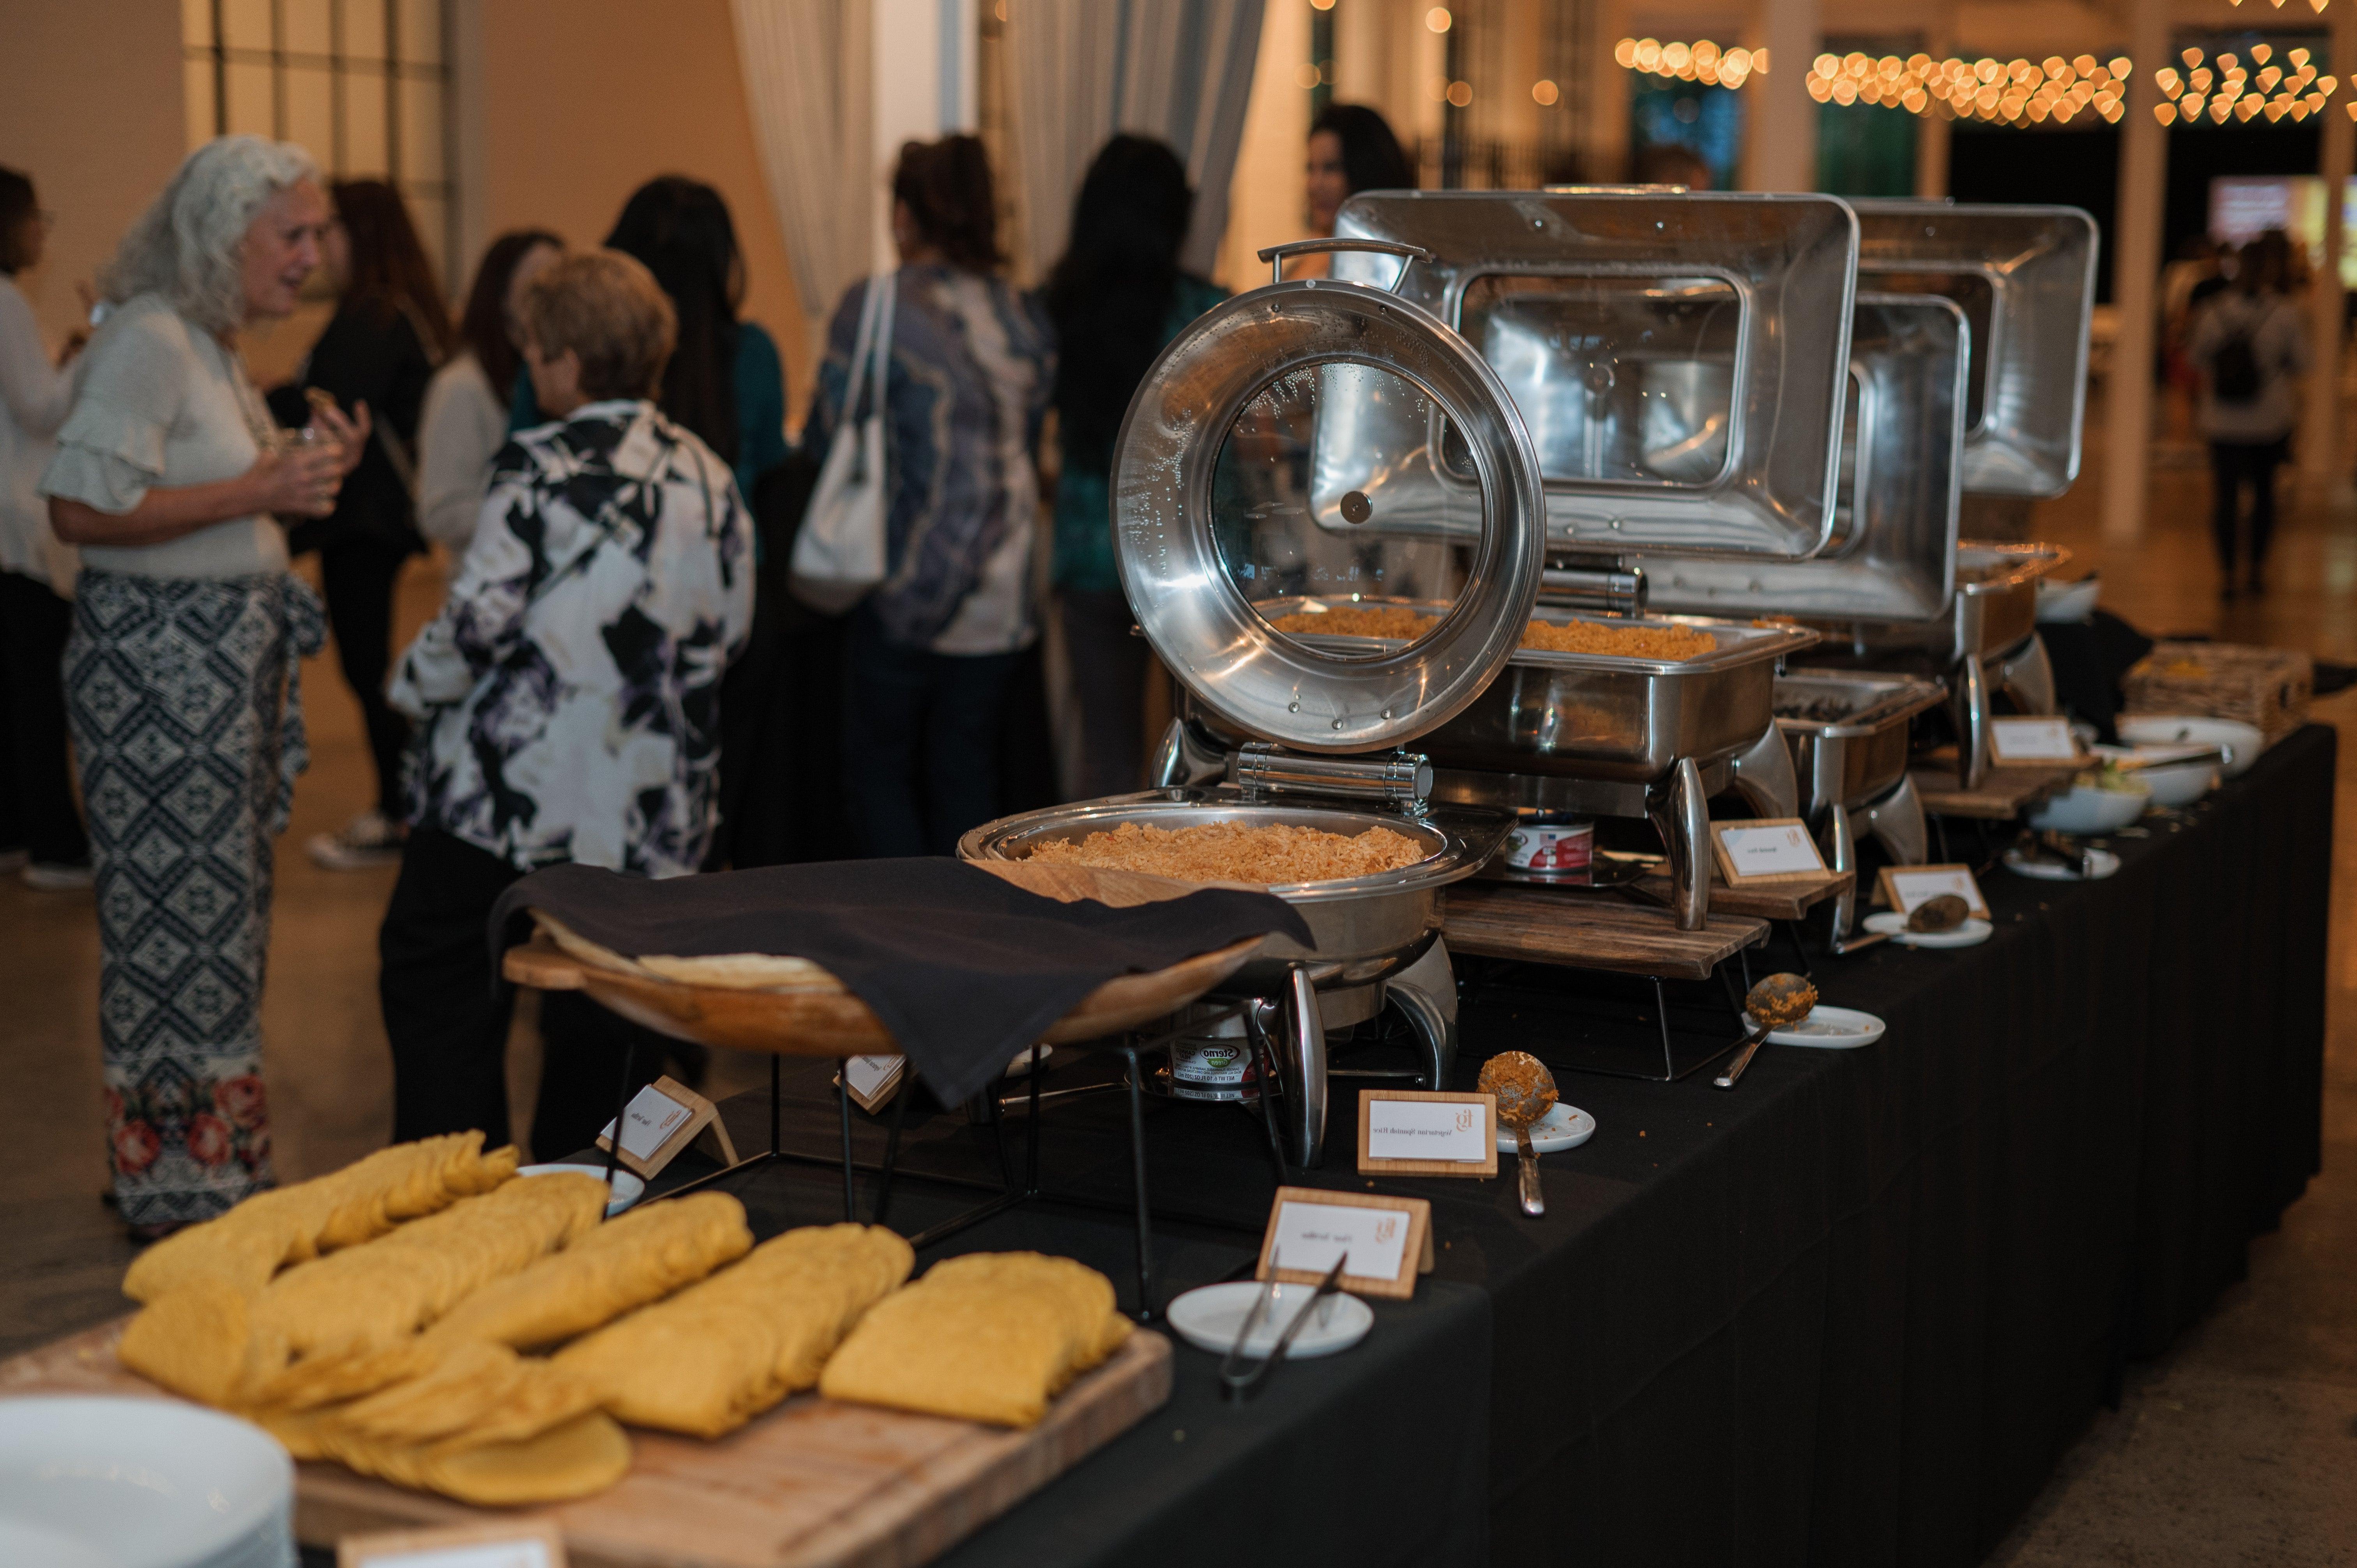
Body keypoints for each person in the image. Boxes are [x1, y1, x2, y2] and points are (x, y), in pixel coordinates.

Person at [39, 136, 365, 1233]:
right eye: (294, 233)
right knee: (170, 939)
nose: (313, 254)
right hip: (160, 685)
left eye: (316, 232)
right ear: (222, 238)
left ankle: (211, 1164)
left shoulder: (209, 345)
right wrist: (257, 490)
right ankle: (170, 1178)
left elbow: (227, 492)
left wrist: (297, 481)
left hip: (214, 686)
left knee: (219, 933)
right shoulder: (148, 343)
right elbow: (78, 515)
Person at [379, 249, 753, 1160]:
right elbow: (729, 631)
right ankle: (579, 1191)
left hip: (512, 800)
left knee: (437, 980)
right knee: (606, 1017)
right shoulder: (708, 473)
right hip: (645, 810)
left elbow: (478, 627)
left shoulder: (538, 468)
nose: (531, 363)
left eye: (538, 348)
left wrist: (408, 683)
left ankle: (458, 1190)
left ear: (567, 361)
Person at [803, 136, 1054, 858]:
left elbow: (827, 432)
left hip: (903, 582)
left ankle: (903, 928)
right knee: (966, 779)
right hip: (1004, 592)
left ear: (906, 215)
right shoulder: (1023, 313)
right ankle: (966, 929)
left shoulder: (877, 305)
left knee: (877, 775)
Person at [273, 180, 450, 871]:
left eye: (328, 232)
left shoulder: (375, 314)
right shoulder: (386, 310)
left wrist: (265, 398)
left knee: (370, 666)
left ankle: (402, 810)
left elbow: (325, 403)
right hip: (367, 521)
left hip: (366, 523)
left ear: (363, 234)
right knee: (371, 664)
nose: (318, 250)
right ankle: (407, 805)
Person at [1043, 136, 1224, 798]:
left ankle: (1102, 897)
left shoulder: (1057, 311)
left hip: (1092, 554)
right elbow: (1231, 459)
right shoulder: (1206, 314)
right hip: (1188, 560)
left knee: (1107, 756)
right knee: (1205, 751)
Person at [0, 164, 90, 890]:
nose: (41, 229)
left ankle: (14, 834)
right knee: (37, 695)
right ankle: (57, 846)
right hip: (15, 527)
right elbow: (39, 409)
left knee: (11, 692)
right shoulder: (3, 301)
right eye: (34, 215)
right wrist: (87, 359)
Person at [415, 229, 561, 553]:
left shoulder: (564, 380)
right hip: (490, 580)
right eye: (537, 285)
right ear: (501, 295)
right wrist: (544, 513)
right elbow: (439, 512)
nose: (551, 299)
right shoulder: (462, 386)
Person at [2189, 234, 2308, 599]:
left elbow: (2196, 359)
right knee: (2264, 497)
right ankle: (2255, 571)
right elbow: (2305, 363)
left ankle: (2227, 574)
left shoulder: (2213, 310)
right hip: (2269, 420)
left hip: (2222, 421)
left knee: (2225, 499)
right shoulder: (2286, 313)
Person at [1304, 103, 1415, 242]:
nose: (1315, 185)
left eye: (1332, 168)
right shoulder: (1306, 253)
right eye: (1311, 169)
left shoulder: (1401, 260)